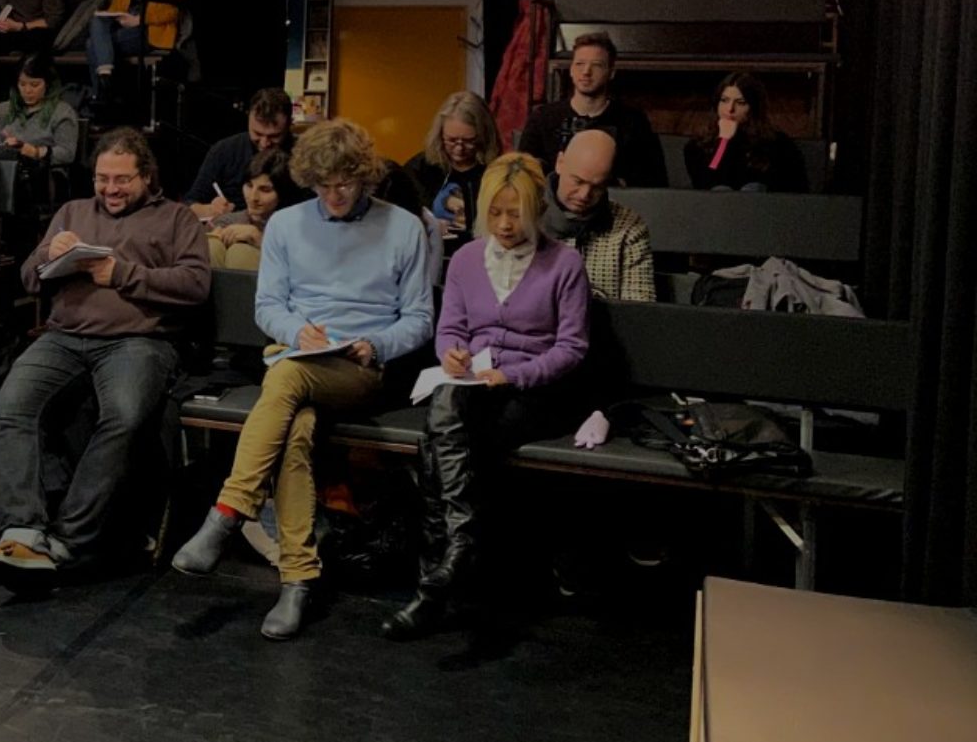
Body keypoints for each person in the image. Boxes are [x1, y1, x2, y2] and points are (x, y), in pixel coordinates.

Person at [171, 119, 434, 639]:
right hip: (299, 353)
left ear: (364, 177)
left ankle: (227, 512)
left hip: (362, 368)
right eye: (323, 185)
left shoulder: (403, 227)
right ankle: (298, 580)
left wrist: (376, 344)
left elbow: (420, 319)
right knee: (295, 428)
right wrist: (298, 331)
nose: (334, 195)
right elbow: (269, 305)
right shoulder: (288, 224)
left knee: (286, 381)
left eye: (345, 184)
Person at [0, 128, 211, 590]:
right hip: (64, 337)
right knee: (11, 406)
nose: (110, 189)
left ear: (146, 176)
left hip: (139, 341)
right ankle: (21, 531)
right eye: (102, 179)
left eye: (122, 180)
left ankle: (68, 539)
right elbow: (28, 278)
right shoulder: (72, 212)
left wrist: (122, 273)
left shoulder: (177, 218)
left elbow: (195, 285)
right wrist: (48, 255)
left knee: (125, 416)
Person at [384, 153, 591, 640]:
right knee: (448, 412)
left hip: (536, 390)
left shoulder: (565, 263)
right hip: (474, 385)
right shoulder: (467, 259)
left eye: (515, 214)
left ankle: (436, 579)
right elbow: (451, 329)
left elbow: (572, 348)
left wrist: (514, 375)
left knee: (440, 437)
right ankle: (455, 559)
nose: (504, 224)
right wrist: (452, 355)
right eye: (495, 213)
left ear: (537, 211)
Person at [518, 33, 667, 188]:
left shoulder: (634, 122)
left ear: (611, 72)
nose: (586, 72)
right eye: (579, 64)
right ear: (571, 70)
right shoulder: (543, 117)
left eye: (596, 65)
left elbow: (655, 183)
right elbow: (521, 176)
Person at [544, 130, 656, 302]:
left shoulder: (629, 228)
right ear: (560, 163)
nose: (584, 195)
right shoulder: (523, 214)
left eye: (597, 187)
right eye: (578, 181)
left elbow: (639, 309)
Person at [405, 91, 503, 260]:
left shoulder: (498, 171)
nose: (459, 148)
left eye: (469, 141)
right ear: (440, 135)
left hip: (484, 259)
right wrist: (427, 225)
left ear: (483, 136)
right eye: (451, 140)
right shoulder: (420, 168)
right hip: (431, 258)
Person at [684, 72, 808, 192]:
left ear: (753, 107)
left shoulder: (778, 145)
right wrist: (723, 142)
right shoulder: (697, 146)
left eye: (740, 103)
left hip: (761, 204)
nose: (730, 109)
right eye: (724, 100)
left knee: (753, 188)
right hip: (715, 205)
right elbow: (707, 184)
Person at [185, 87, 293, 220]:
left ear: (289, 125)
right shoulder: (224, 151)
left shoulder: (301, 157)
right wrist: (210, 209)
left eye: (274, 136)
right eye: (257, 134)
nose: (264, 143)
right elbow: (190, 203)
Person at [206, 148, 301, 270]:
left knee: (240, 252)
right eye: (249, 185)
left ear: (283, 193)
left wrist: (259, 239)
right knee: (211, 245)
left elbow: (306, 269)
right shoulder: (226, 221)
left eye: (265, 190)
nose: (253, 197)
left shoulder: (297, 227)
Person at [0, 52, 81, 168]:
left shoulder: (62, 112)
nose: (28, 90)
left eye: (35, 85)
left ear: (47, 84)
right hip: (6, 169)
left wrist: (36, 152)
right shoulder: (3, 110)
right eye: (22, 84)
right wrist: (3, 148)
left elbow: (67, 153)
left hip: (44, 171)